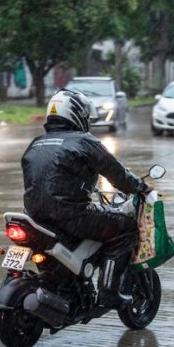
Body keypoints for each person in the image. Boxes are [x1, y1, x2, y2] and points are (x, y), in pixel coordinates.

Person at [21, 89, 148, 309]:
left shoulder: (36, 143)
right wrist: (140, 186)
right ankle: (109, 292)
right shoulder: (84, 141)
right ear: (76, 115)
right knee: (125, 228)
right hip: (71, 216)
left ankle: (63, 284)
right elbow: (117, 174)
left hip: (34, 218)